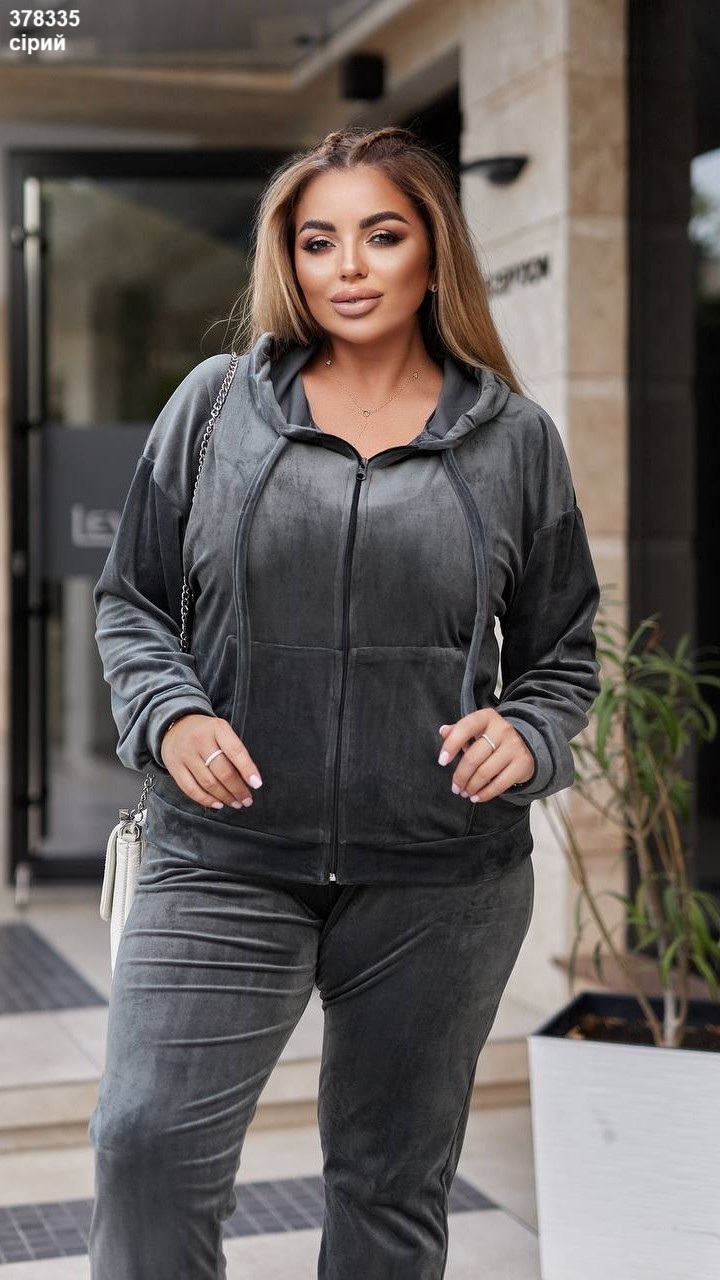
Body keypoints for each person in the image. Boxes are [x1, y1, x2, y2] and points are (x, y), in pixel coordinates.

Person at [87, 125, 601, 1279]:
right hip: (221, 855)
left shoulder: (514, 439)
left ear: (433, 251)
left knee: (389, 1189)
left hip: (440, 877)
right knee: (144, 1148)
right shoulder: (217, 407)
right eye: (318, 241)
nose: (350, 266)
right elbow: (132, 603)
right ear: (289, 259)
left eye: (382, 234)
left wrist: (528, 733)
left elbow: (565, 653)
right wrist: (172, 712)